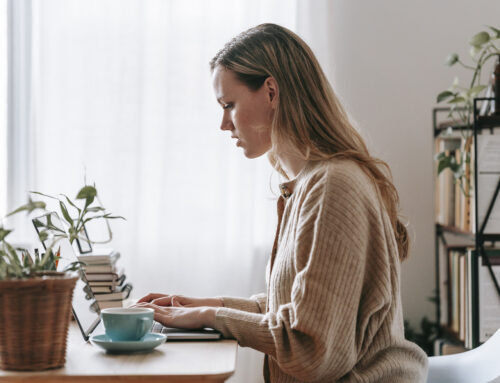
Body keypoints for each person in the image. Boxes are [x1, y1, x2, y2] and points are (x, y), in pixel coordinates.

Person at [135, 23, 428, 382]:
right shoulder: (311, 183)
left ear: (271, 91)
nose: (223, 124)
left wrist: (213, 319)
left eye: (229, 105)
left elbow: (311, 351)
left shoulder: (334, 186)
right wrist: (207, 306)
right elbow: (294, 311)